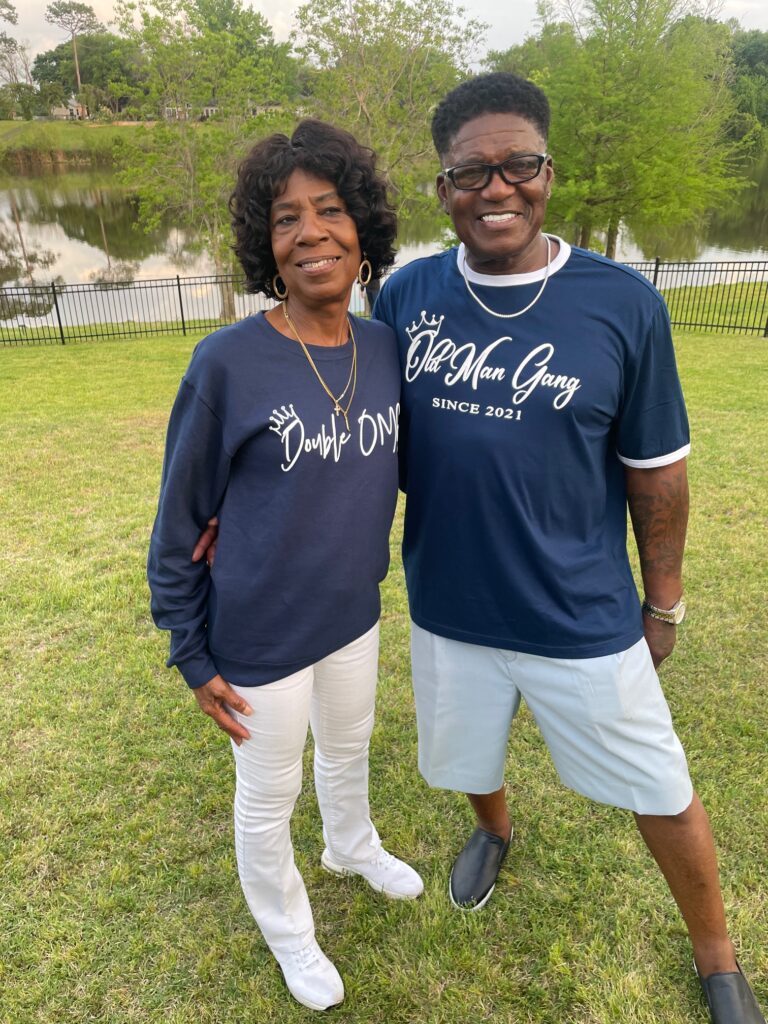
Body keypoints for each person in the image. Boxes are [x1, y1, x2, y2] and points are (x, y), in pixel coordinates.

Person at [371, 73, 764, 1024]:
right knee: (466, 759)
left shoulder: (622, 303)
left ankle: (718, 960)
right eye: (472, 172)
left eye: (520, 166)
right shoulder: (407, 295)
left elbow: (657, 473)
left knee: (661, 787)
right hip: (451, 603)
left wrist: (661, 600)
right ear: (443, 188)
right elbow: (358, 439)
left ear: (549, 172)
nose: (497, 189)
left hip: (579, 612)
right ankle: (494, 833)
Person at [147, 118, 423, 1014]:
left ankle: (350, 845)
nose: (311, 233)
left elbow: (397, 468)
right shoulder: (226, 363)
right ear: (264, 245)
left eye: (331, 210)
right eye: (285, 219)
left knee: (349, 750)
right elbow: (179, 523)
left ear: (365, 230)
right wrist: (192, 654)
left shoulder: (384, 349)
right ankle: (290, 934)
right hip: (259, 638)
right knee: (269, 799)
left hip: (353, 615)